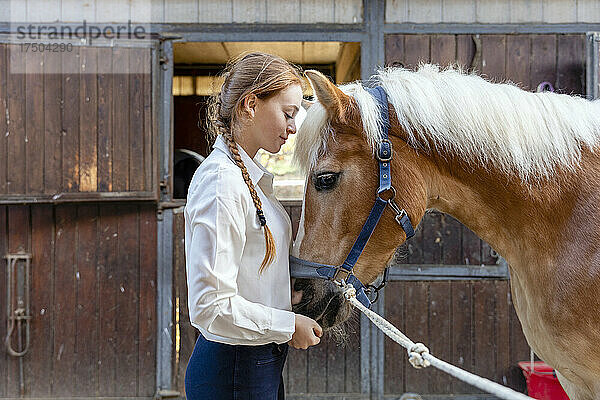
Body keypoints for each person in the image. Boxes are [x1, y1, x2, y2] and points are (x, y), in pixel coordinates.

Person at [184, 52, 322, 400]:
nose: (293, 126)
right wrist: (288, 325)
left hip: (256, 362)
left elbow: (247, 275)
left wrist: (282, 298)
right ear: (250, 104)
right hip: (234, 370)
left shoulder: (249, 180)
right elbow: (210, 307)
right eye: (288, 113)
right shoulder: (222, 184)